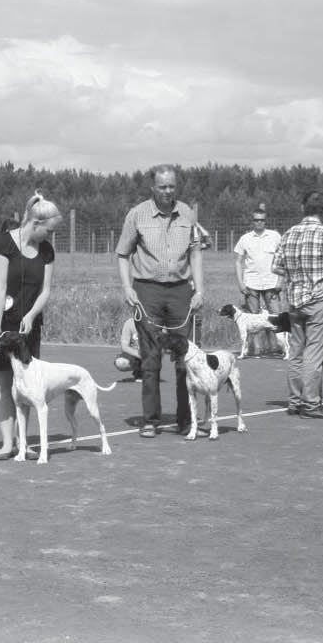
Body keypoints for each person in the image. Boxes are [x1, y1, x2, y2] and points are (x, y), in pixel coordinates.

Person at [115, 165, 207, 438]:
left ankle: (186, 421)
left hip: (181, 291)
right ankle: (150, 420)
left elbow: (196, 254)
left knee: (186, 359)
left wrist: (199, 290)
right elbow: (123, 254)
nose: (168, 192)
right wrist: (127, 288)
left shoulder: (187, 214)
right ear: (153, 188)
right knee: (151, 357)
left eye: (172, 187)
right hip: (147, 291)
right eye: (163, 187)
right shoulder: (137, 215)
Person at [0, 193, 64, 459]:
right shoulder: (3, 243)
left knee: (28, 383)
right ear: (36, 223)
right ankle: (8, 443)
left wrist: (31, 315)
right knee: (4, 382)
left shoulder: (47, 251)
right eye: (49, 230)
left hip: (28, 322)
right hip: (0, 317)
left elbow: (46, 291)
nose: (50, 236)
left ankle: (24, 443)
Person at [272, 190, 323, 418]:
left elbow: (276, 267)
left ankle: (294, 402)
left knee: (296, 352)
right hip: (317, 300)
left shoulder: (288, 234)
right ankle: (311, 404)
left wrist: (296, 275)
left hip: (294, 301)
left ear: (303, 208)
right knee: (314, 352)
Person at [233, 204, 282, 355]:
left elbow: (282, 260)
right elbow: (238, 262)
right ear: (252, 222)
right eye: (256, 220)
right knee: (253, 319)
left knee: (275, 317)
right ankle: (257, 349)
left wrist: (280, 282)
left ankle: (277, 348)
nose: (259, 223)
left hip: (271, 283)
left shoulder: (275, 236)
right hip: (251, 284)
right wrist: (241, 283)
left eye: (262, 220)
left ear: (265, 221)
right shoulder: (245, 239)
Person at [115, 315, 142, 380]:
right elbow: (124, 347)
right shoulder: (129, 323)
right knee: (120, 362)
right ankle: (138, 370)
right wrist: (140, 355)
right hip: (135, 354)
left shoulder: (154, 322)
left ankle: (149, 372)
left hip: (150, 354)